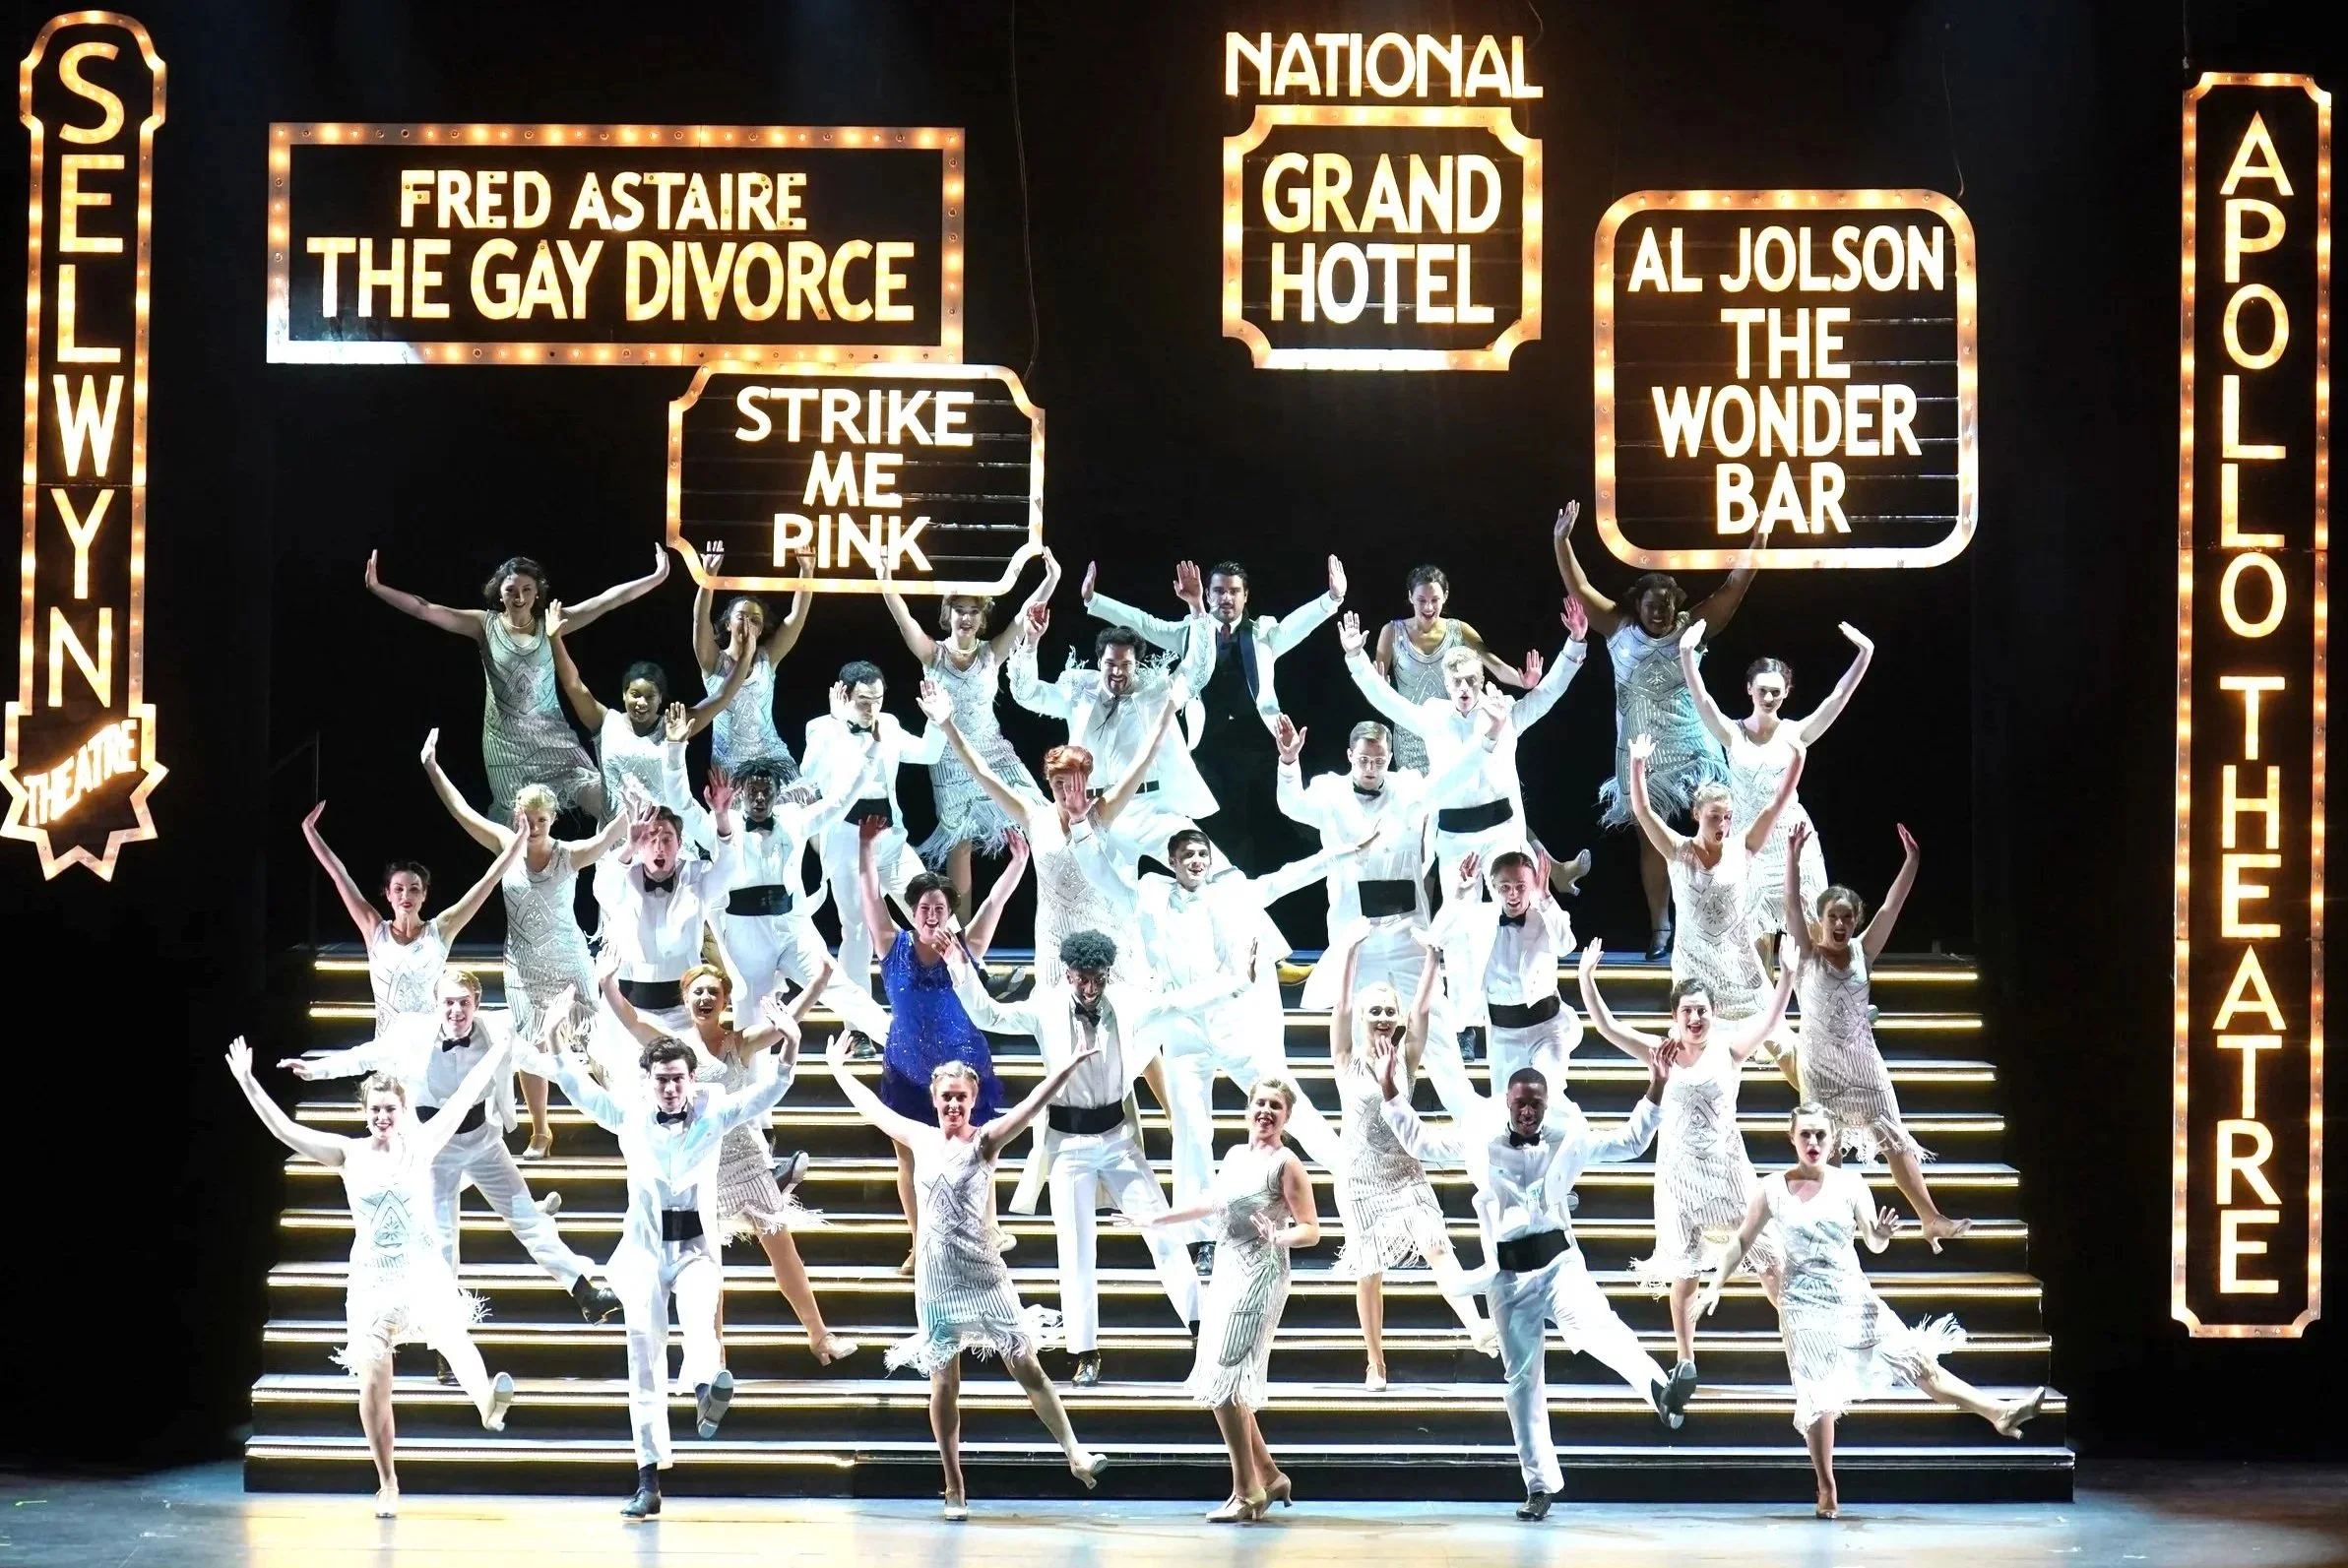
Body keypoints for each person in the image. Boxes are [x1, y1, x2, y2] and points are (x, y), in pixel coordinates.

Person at [516, 996, 807, 1520]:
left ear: (691, 1080)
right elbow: (577, 1087)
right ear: (648, 1080)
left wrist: (792, 1044)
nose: (670, 1087)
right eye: (662, 1079)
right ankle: (648, 1478)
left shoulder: (714, 1109)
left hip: (696, 1246)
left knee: (700, 1315)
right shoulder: (629, 1112)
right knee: (643, 1358)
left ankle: (704, 1391)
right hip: (645, 1251)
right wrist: (556, 1031)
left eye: (678, 1078)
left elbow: (771, 1090)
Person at [1379, 1048, 1693, 1521]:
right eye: (1520, 1103)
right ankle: (1540, 1486)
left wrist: (1657, 1085)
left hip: (1558, 1265)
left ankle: (1658, 1390)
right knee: (1522, 1383)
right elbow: (1419, 1142)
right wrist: (1389, 1088)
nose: (1527, 1111)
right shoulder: (1478, 1140)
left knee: (1600, 1326)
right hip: (1507, 1280)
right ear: (1508, 1102)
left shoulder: (1569, 1138)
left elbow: (1630, 1143)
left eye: (1536, 1105)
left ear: (1546, 1105)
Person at [1698, 1104, 2047, 1519]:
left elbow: (1874, 1241)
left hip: (1851, 1294)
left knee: (1915, 1361)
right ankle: (1826, 1487)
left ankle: (1998, 1413)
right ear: (1791, 1137)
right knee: (1818, 1396)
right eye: (1806, 1135)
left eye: (1821, 1136)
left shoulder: (1850, 1183)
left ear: (1832, 1140)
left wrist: (1880, 1233)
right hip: (1802, 1303)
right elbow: (1740, 1241)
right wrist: (1715, 1284)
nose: (1813, 1143)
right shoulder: (1773, 1188)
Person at [225, 1035, 518, 1519]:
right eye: (376, 1109)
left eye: (390, 1109)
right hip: (373, 1281)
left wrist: (500, 1047)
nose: (383, 1117)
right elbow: (285, 1130)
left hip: (419, 1270)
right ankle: (388, 1483)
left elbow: (468, 1090)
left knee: (451, 1334)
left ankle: (487, 1402)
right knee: (375, 1379)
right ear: (366, 1112)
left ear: (404, 1110)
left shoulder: (421, 1144)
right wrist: (249, 1083)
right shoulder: (347, 1153)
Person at [828, 1030, 1113, 1520]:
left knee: (1026, 1365)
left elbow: (1030, 1107)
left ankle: (1073, 1452)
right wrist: (837, 1068)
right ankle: (954, 1484)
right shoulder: (919, 1138)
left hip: (984, 1274)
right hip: (937, 1278)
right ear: (935, 1100)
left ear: (973, 1099)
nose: (954, 1103)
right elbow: (875, 1111)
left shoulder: (986, 1141)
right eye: (946, 1097)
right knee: (944, 1382)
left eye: (961, 1096)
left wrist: (1066, 1069)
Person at [946, 930, 1231, 1387]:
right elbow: (989, 1014)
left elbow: (1182, 1002)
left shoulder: (1128, 1005)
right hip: (1067, 1143)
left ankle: (1201, 1327)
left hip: (1119, 1139)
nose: (1090, 988)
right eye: (1083, 978)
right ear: (1069, 973)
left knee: (1162, 1229)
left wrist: (1239, 982)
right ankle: (1085, 1351)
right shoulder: (1046, 1007)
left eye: (1098, 978)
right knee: (1076, 1249)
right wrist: (961, 970)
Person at [279, 968, 622, 1328]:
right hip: (433, 1150)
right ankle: (445, 1335)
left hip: (483, 1143)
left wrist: (591, 1083)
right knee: (442, 1243)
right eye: (448, 1003)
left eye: (463, 1003)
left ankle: (585, 1293)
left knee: (527, 1218)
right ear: (436, 1004)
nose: (456, 1011)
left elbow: (539, 1064)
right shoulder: (411, 1034)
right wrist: (315, 1070)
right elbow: (364, 1057)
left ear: (476, 1004)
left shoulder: (496, 1033)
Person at [600, 958, 857, 1365]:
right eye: (697, 992)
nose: (704, 998)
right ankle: (713, 1358)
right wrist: (608, 985)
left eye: (712, 993)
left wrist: (821, 980)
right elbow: (632, 1022)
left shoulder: (738, 1042)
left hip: (747, 1158)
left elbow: (786, 1023)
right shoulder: (674, 1048)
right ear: (685, 999)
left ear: (724, 1001)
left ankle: (818, 1335)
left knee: (782, 1248)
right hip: (702, 1165)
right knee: (707, 1265)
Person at [1127, 824, 1350, 1266]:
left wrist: (1343, 851)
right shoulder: (1152, 897)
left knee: (1288, 1099)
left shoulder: (1233, 893)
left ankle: (1352, 1168)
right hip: (1183, 1030)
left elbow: (1288, 876)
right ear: (1172, 862)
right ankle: (1201, 1239)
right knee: (1192, 1130)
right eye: (1187, 855)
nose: (1195, 861)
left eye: (1201, 854)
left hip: (1231, 1024)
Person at [1553, 501, 1762, 958]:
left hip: (1692, 745)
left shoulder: (1692, 628)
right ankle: (1661, 929)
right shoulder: (1618, 627)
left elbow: (1734, 585)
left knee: (1712, 830)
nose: (1661, 612)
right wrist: (1562, 541)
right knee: (1655, 838)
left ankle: (1717, 922)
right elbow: (1582, 586)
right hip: (1642, 750)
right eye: (1653, 604)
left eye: (1667, 604)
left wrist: (1758, 538)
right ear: (1638, 604)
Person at [1582, 942, 1796, 1388]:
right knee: (1685, 1274)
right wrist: (1586, 978)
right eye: (1687, 1012)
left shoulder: (1731, 1051)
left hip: (1729, 1174)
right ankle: (1686, 1360)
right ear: (1675, 1017)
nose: (1695, 1019)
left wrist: (1788, 975)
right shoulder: (1660, 1052)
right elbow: (1607, 1026)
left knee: (1773, 1262)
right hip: (1679, 1180)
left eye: (1701, 1011)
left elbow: (1773, 1020)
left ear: (1712, 1013)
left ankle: (1799, 1343)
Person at [420, 728, 634, 1158]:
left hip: (567, 959)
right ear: (515, 817)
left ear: (551, 819)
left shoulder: (568, 854)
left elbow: (610, 836)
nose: (533, 828)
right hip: (522, 964)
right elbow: (461, 811)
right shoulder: (506, 846)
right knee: (532, 1046)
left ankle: (622, 1115)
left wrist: (631, 806)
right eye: (526, 820)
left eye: (540, 821)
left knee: (592, 1042)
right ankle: (541, 1129)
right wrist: (432, 766)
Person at [918, 670, 1188, 984]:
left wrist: (1170, 707)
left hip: (1102, 936)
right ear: (1049, 782)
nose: (1067, 790)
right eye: (1059, 782)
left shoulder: (1102, 813)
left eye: (1075, 782)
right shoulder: (1033, 816)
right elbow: (981, 770)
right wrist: (946, 723)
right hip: (1052, 944)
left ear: (1087, 781)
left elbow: (1144, 759)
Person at [1084, 554, 1346, 872]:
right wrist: (1095, 601)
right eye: (1219, 591)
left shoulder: (1263, 632)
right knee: (1227, 832)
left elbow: (1297, 624)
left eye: (1234, 591)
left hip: (1262, 743)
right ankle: (1235, 895)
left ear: (1245, 595)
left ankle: (1351, 853)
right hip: (1211, 750)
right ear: (1207, 595)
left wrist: (1332, 599)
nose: (1226, 598)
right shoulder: (1189, 632)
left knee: (1299, 814)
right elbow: (1143, 623)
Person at [1780, 822, 1971, 1249]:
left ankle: (1930, 1217)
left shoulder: (1864, 952)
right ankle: (1828, 1229)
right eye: (1834, 917)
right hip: (1821, 1066)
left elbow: (1892, 906)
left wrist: (1912, 862)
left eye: (1848, 916)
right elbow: (1791, 905)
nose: (1842, 924)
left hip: (1864, 1062)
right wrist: (1791, 857)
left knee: (1894, 1135)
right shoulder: (1808, 957)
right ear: (1822, 920)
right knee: (1826, 1148)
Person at [366, 548, 669, 815]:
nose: (519, 597)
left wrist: (655, 578)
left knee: (604, 801)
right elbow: (425, 608)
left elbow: (605, 601)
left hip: (552, 737)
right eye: (511, 590)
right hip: (505, 745)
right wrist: (378, 588)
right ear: (500, 593)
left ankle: (627, 862)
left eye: (527, 589)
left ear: (538, 592)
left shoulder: (550, 623)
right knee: (520, 830)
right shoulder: (483, 625)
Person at [1142, 1077, 1322, 1522]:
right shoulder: (1236, 1155)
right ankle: (1270, 1474)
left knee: (1224, 1382)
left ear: (1286, 1117)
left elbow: (1311, 1229)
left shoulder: (1287, 1164)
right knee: (1227, 1381)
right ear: (1248, 1108)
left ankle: (1247, 1492)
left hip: (1260, 1276)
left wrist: (1279, 1236)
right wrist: (1156, 1218)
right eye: (1260, 1102)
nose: (1265, 1111)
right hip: (1225, 1272)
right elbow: (1213, 1202)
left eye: (1275, 1106)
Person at [857, 818, 1030, 1273]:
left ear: (949, 911)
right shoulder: (890, 944)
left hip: (963, 1070)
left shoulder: (968, 945)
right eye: (924, 907)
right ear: (912, 910)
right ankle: (919, 1243)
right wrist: (866, 849)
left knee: (981, 1154)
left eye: (939, 907)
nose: (932, 914)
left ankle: (986, 1232)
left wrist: (1017, 863)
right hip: (908, 1069)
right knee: (910, 1160)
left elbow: (994, 901)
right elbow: (871, 897)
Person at [1329, 940, 1496, 1390]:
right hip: (1360, 1179)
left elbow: (1422, 1007)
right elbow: (1342, 1003)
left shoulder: (1406, 1057)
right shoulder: (1345, 1060)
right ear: (1363, 1018)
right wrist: (1349, 955)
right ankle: (1375, 1362)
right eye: (1375, 1011)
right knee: (1369, 1273)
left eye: (1389, 1011)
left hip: (1404, 1171)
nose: (1383, 1017)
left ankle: (1476, 1326)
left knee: (1438, 1246)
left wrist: (1432, 959)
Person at [1338, 601, 1589, 897]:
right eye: (1457, 682)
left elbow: (1547, 693)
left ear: (1482, 680)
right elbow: (1386, 701)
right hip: (1455, 837)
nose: (1465, 688)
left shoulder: (1503, 711)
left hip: (1502, 833)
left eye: (1471, 680)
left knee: (1513, 909)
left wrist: (1574, 643)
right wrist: (1355, 657)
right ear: (1447, 684)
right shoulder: (1433, 717)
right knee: (1461, 924)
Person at [876, 545, 1060, 915]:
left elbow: (1026, 614)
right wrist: (886, 579)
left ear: (982, 618)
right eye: (960, 609)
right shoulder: (933, 654)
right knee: (960, 851)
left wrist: (1051, 578)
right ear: (948, 614)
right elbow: (904, 620)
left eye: (974, 611)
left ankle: (1062, 908)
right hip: (949, 759)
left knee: (1045, 824)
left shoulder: (991, 653)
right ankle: (962, 947)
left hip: (994, 754)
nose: (967, 616)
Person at [1680, 618, 1873, 961]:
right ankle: (1764, 1009)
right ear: (1749, 690)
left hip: (1793, 839)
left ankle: (1819, 999)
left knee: (1814, 925)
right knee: (1751, 935)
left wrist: (1865, 652)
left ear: (1786, 692)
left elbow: (1838, 696)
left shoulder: (1795, 733)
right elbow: (1702, 698)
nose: (1768, 696)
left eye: (1776, 690)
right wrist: (1685, 652)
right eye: (1762, 689)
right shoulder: (1731, 732)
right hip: (1749, 840)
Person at [1008, 598, 1217, 875]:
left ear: (1137, 664)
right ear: (1099, 662)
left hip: (1150, 808)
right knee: (1105, 901)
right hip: (1094, 812)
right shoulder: (1080, 691)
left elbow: (1197, 673)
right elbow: (1028, 694)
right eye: (1110, 664)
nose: (1117, 672)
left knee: (1215, 874)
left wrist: (1198, 611)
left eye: (1125, 664)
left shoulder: (1155, 689)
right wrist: (1031, 642)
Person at [708, 758, 895, 1046]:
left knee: (837, 985)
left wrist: (871, 753)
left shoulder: (793, 819)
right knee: (750, 1020)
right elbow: (685, 810)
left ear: (777, 793)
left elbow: (839, 803)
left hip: (791, 930)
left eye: (766, 791)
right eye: (752, 790)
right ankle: (749, 1085)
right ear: (740, 793)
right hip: (746, 936)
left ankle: (900, 1041)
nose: (759, 797)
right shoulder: (723, 823)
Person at [802, 662, 946, 1018]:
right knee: (856, 931)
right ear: (845, 696)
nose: (872, 709)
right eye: (864, 701)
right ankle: (857, 1024)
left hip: (890, 841)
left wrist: (937, 721)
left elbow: (929, 754)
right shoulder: (822, 728)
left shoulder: (890, 724)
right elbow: (811, 775)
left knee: (931, 903)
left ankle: (971, 978)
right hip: (848, 845)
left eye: (877, 700)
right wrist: (839, 725)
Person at [1626, 732, 1802, 1024]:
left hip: (1739, 967)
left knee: (1780, 1042)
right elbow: (1643, 811)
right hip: (1694, 969)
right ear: (1696, 814)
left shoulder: (1741, 848)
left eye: (1728, 817)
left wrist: (1798, 759)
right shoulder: (1677, 850)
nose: (1723, 824)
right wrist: (1637, 764)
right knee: (1700, 1050)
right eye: (1714, 816)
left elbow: (1777, 803)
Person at [299, 800, 521, 1031]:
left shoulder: (440, 929)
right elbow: (339, 874)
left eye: (414, 888)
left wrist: (521, 837)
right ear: (388, 894)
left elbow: (488, 881)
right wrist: (310, 831)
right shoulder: (374, 929)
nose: (406, 895)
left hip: (428, 1049)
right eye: (398, 889)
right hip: (386, 1051)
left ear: (424, 894)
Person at [548, 599, 753, 840]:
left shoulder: (674, 724)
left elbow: (721, 697)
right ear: (624, 694)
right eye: (635, 694)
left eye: (649, 696)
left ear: (660, 699)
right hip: (618, 844)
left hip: (667, 842)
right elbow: (573, 685)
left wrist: (746, 656)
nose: (641, 702)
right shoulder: (606, 722)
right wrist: (555, 639)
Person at [1431, 848, 1585, 1108]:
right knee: (1505, 1108)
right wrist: (1459, 893)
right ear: (1493, 886)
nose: (1513, 894)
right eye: (1505, 886)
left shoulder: (1545, 915)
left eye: (1521, 886)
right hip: (1503, 1033)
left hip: (1547, 1029)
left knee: (1550, 1099)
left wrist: (1546, 897)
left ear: (1533, 885)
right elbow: (1438, 937)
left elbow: (1566, 945)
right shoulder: (1480, 917)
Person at [591, 775, 741, 1039]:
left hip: (683, 1008)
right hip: (629, 1005)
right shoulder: (622, 874)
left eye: (667, 839)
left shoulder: (695, 875)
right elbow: (601, 889)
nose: (659, 847)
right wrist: (629, 847)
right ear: (640, 845)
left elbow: (729, 869)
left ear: (680, 845)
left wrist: (721, 817)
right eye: (651, 840)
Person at [1371, 564, 1534, 773]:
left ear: (1445, 596)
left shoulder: (1460, 630)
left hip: (1453, 734)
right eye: (1422, 600)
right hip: (1410, 737)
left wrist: (1523, 681)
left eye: (1434, 600)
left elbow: (1496, 666)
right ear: (1410, 596)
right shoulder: (1392, 632)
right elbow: (1377, 684)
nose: (1428, 608)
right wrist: (1378, 684)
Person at [690, 541, 813, 781]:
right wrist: (709, 578)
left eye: (755, 618)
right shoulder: (713, 660)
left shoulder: (767, 658)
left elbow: (796, 618)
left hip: (772, 757)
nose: (748, 622)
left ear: (761, 627)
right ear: (728, 623)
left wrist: (806, 572)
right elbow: (699, 620)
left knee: (798, 808)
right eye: (741, 616)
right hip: (729, 763)